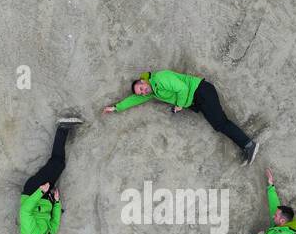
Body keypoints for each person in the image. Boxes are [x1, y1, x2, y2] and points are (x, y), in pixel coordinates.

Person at [103, 70, 258, 164]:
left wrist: (180, 105)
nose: (143, 92)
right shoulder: (153, 91)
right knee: (219, 124)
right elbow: (135, 99)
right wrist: (116, 107)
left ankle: (249, 145)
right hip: (198, 99)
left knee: (220, 123)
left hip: (201, 91)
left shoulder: (159, 78)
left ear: (144, 81)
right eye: (141, 92)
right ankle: (247, 145)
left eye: (142, 88)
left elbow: (182, 88)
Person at [18, 117, 82, 234]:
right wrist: (57, 202)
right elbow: (55, 223)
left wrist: (40, 191)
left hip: (33, 191)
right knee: (59, 165)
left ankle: (62, 128)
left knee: (57, 164)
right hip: (47, 199)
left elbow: (25, 210)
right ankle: (63, 130)